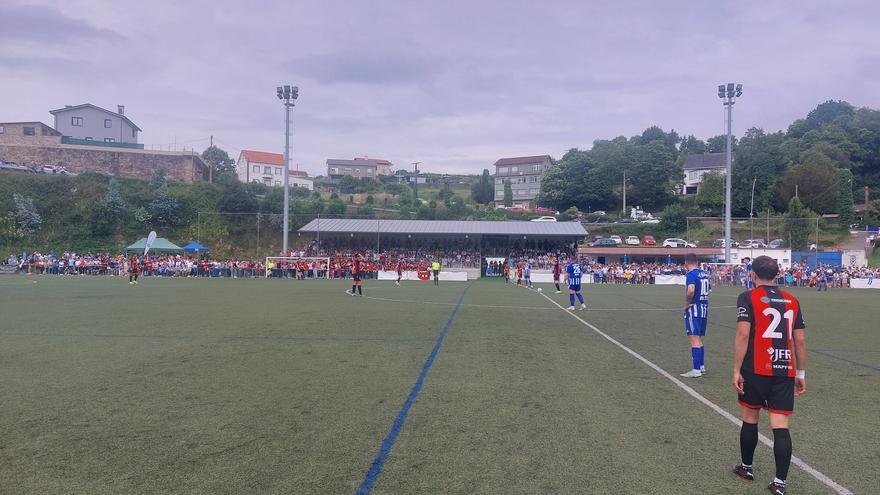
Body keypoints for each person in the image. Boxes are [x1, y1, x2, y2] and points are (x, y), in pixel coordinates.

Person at [732, 256, 807, 495]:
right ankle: (780, 483)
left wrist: (736, 369)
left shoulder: (747, 297)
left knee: (750, 416)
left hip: (756, 368)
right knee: (780, 424)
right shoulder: (792, 300)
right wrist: (801, 372)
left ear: (753, 274)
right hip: (784, 367)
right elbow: (800, 340)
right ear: (777, 274)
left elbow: (743, 335)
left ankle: (746, 467)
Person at [680, 254, 710, 378]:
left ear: (686, 263)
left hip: (694, 309)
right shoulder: (704, 274)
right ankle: (701, 367)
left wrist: (687, 304)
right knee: (698, 339)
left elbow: (691, 290)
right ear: (697, 262)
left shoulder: (690, 275)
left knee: (693, 339)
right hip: (704, 309)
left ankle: (696, 370)